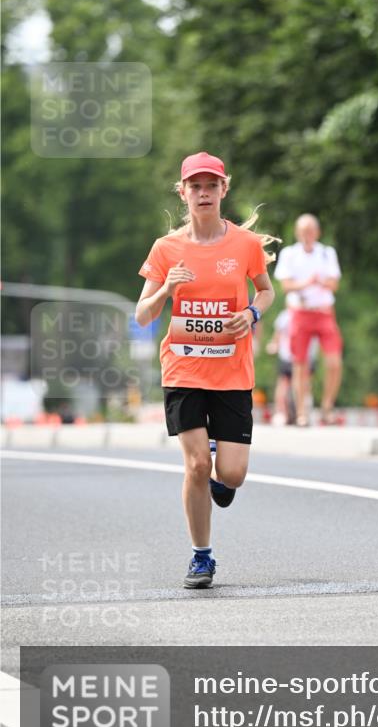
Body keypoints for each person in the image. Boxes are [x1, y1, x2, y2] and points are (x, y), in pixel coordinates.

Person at [135, 152, 275, 589]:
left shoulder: (245, 246)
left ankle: (223, 474)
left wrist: (251, 313)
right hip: (183, 369)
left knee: (230, 475)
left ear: (223, 191)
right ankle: (201, 557)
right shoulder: (167, 249)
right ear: (183, 193)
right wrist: (166, 289)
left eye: (211, 186)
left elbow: (267, 292)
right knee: (197, 465)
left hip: (232, 372)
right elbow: (142, 314)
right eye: (195, 186)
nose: (203, 193)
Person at [273, 213, 342, 426]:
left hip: (323, 312)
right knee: (300, 364)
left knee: (334, 362)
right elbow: (286, 286)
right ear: (297, 233)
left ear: (317, 233)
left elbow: (333, 284)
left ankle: (327, 406)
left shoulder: (326, 253)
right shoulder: (289, 254)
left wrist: (316, 282)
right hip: (300, 312)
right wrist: (308, 283)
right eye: (303, 231)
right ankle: (302, 411)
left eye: (310, 231)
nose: (307, 235)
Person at [265, 307, 319, 425]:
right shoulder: (286, 315)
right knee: (284, 383)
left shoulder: (314, 313)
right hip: (288, 355)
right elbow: (278, 334)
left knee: (306, 383)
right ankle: (281, 412)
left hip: (307, 356)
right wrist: (274, 344)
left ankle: (304, 411)